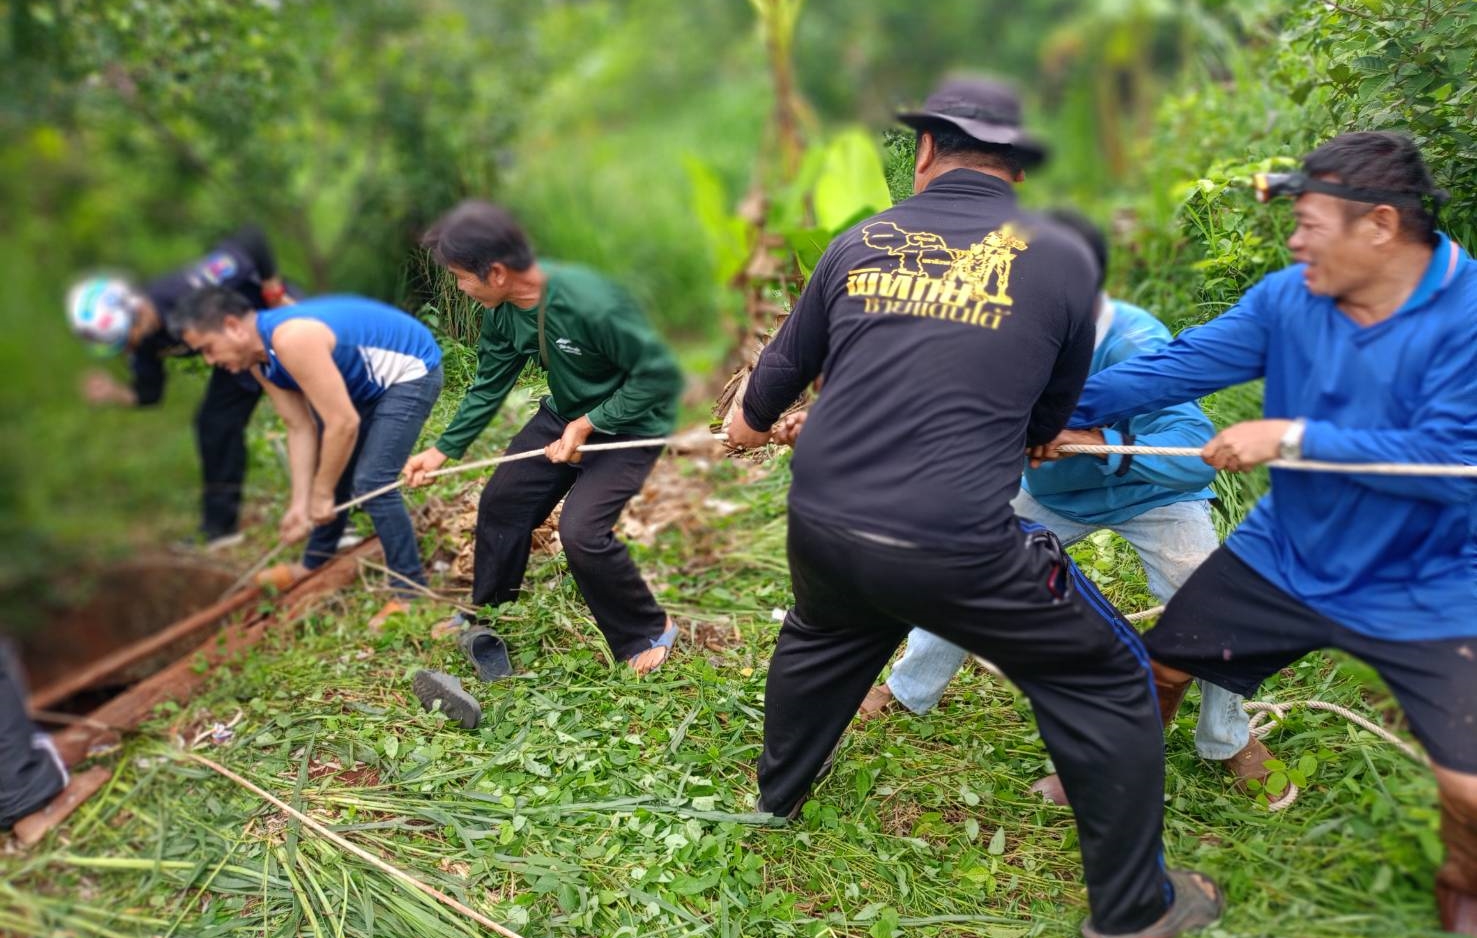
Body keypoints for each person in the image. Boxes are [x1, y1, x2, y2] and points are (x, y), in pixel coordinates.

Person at [726, 76, 1221, 937]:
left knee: (821, 636)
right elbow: (1047, 415)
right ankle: (1137, 910)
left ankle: (777, 796)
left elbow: (773, 379)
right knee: (1110, 678)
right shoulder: (1064, 258)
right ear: (1018, 170)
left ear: (923, 150)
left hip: (824, 524)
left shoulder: (860, 240)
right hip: (955, 546)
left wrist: (746, 425)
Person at [1034, 131, 1476, 934]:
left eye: (1309, 223)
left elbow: (1451, 459)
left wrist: (1292, 437)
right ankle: (1120, 784)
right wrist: (1053, 413)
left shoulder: (1469, 316)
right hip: (1288, 551)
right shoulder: (1288, 299)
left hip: (1429, 579)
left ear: (1378, 225)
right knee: (1163, 664)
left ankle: (1464, 887)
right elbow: (1180, 365)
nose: (1295, 241)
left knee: (1470, 787)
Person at [853, 209, 1268, 802]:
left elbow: (1192, 456)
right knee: (970, 569)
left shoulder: (1133, 341)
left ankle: (1228, 736)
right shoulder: (990, 334)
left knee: (1209, 602)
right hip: (1053, 496)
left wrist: (1100, 444)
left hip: (1156, 495)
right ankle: (908, 688)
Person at [404, 201, 684, 677]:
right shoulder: (505, 309)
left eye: (460, 276)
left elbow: (659, 376)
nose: (459, 287)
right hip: (565, 417)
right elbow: (489, 382)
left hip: (631, 426)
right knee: (502, 502)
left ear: (494, 271)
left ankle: (648, 629)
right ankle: (487, 612)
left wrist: (591, 422)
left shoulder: (590, 302)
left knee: (582, 533)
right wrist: (442, 448)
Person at [171, 288, 443, 611]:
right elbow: (299, 426)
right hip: (363, 385)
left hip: (411, 371)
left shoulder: (291, 339)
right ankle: (314, 563)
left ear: (232, 326)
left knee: (372, 482)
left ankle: (409, 591)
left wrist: (322, 493)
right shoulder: (259, 359)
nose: (210, 361)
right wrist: (300, 503)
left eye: (209, 349)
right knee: (333, 464)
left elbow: (343, 423)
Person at [66, 227, 296, 548]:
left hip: (276, 318)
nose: (129, 348)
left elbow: (253, 240)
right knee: (214, 424)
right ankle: (220, 528)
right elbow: (150, 394)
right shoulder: (143, 341)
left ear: (135, 311)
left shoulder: (185, 288)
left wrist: (273, 292)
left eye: (126, 339)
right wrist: (113, 393)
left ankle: (347, 505)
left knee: (312, 405)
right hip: (234, 357)